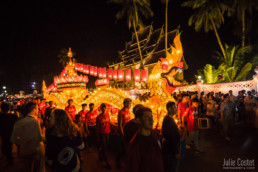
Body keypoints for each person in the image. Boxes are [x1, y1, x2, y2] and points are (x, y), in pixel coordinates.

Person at [126, 106, 163, 172]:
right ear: (138, 120)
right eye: (146, 117)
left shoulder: (153, 134)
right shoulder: (136, 144)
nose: (151, 120)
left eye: (151, 117)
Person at [10, 102, 45, 172]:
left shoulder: (18, 122)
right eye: (37, 108)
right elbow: (39, 138)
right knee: (39, 169)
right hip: (36, 150)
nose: (38, 110)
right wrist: (44, 132)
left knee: (27, 168)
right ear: (34, 110)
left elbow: (13, 139)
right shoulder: (35, 122)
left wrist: (23, 142)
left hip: (25, 150)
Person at [162, 102, 180, 172]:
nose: (176, 109)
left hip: (170, 150)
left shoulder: (169, 119)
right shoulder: (168, 120)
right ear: (169, 109)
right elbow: (171, 138)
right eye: (174, 108)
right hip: (170, 151)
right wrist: (176, 152)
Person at [116, 98, 132, 168]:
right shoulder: (121, 112)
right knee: (123, 148)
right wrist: (122, 134)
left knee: (125, 148)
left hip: (128, 132)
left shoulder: (128, 111)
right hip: (124, 133)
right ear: (125, 104)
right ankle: (118, 161)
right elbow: (119, 124)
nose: (130, 105)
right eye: (129, 104)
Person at [96, 103, 111, 170]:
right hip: (102, 134)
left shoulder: (108, 115)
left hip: (107, 133)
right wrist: (98, 136)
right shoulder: (98, 117)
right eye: (103, 108)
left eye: (105, 108)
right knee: (104, 148)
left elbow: (109, 122)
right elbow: (97, 127)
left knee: (106, 146)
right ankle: (106, 162)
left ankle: (100, 154)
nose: (104, 109)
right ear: (101, 109)